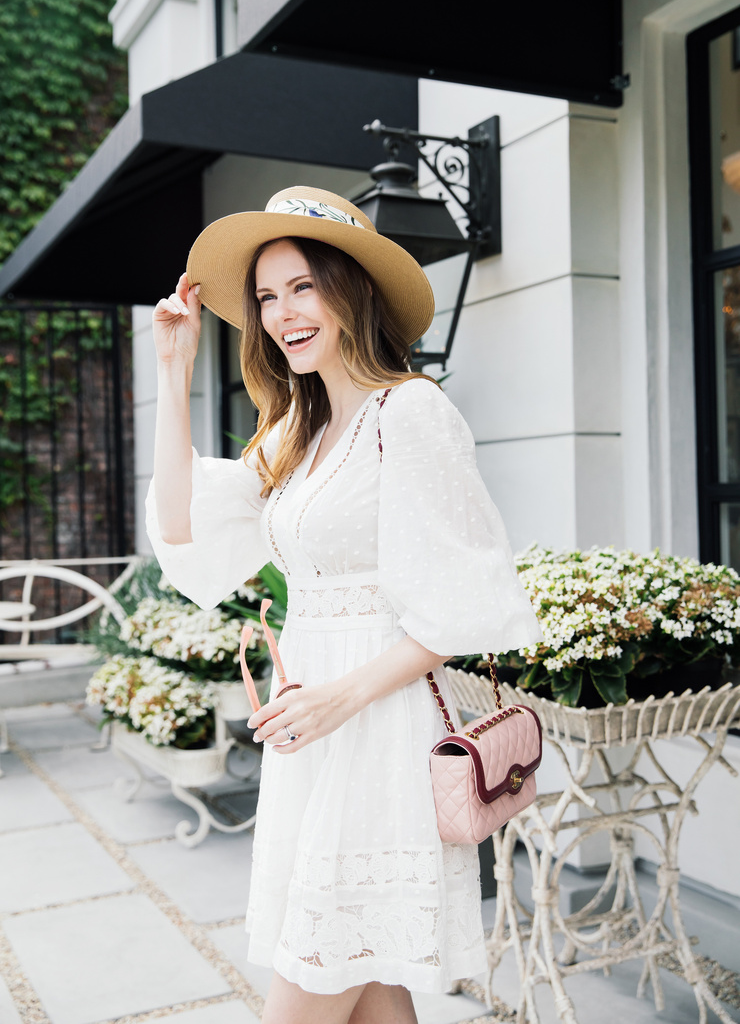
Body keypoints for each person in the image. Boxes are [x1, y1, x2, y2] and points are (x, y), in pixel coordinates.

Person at [145, 186, 543, 1024]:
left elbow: (462, 607)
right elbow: (180, 526)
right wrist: (173, 370)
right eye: (266, 296)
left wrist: (339, 698)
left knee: (315, 983)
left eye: (303, 287)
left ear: (351, 290)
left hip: (376, 729)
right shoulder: (300, 431)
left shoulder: (412, 412)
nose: (282, 313)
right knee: (371, 992)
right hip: (312, 732)